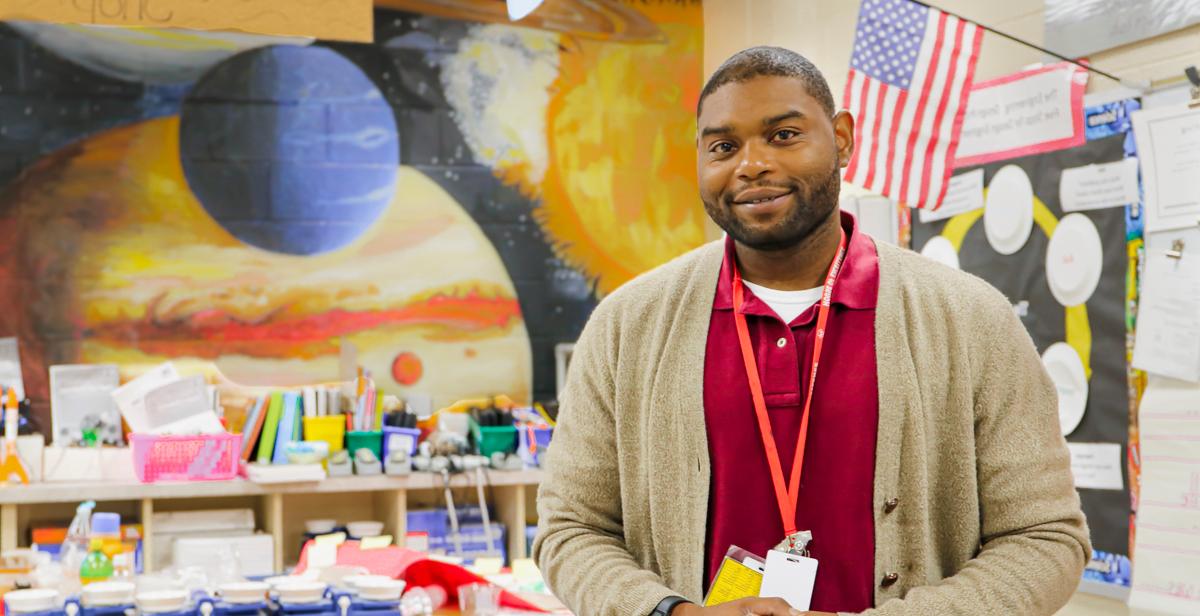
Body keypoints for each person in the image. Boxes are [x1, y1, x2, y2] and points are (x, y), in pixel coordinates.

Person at [533, 46, 1089, 616]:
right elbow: (570, 530)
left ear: (842, 138)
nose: (751, 165)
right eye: (724, 147)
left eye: (782, 135)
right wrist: (668, 612)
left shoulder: (970, 319)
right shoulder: (629, 325)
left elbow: (1044, 538)